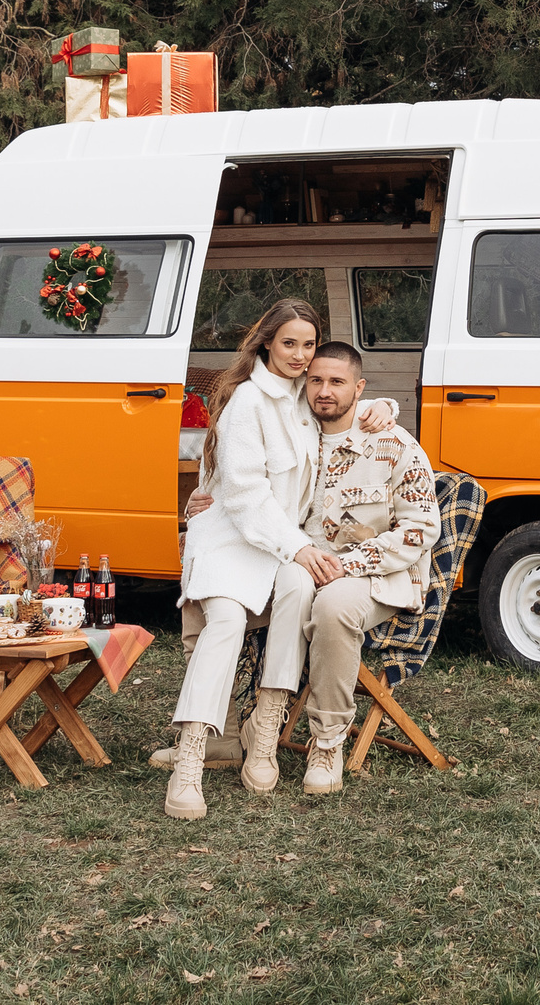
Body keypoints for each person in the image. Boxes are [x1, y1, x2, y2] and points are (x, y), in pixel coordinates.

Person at [165, 299, 396, 820]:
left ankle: (265, 729)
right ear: (267, 341)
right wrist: (300, 547)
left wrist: (384, 407)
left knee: (298, 588)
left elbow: (342, 403)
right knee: (224, 620)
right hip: (231, 537)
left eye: (308, 345)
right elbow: (245, 499)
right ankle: (191, 759)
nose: (299, 355)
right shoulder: (248, 401)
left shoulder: (303, 396)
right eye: (289, 343)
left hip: (280, 545)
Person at [269, 342, 439, 794]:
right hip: (300, 563)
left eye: (337, 382)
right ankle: (234, 728)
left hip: (376, 578)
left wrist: (349, 565)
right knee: (228, 595)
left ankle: (327, 743)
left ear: (359, 388)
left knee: (335, 607)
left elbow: (421, 528)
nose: (325, 391)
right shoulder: (295, 435)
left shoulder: (391, 442)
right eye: (317, 380)